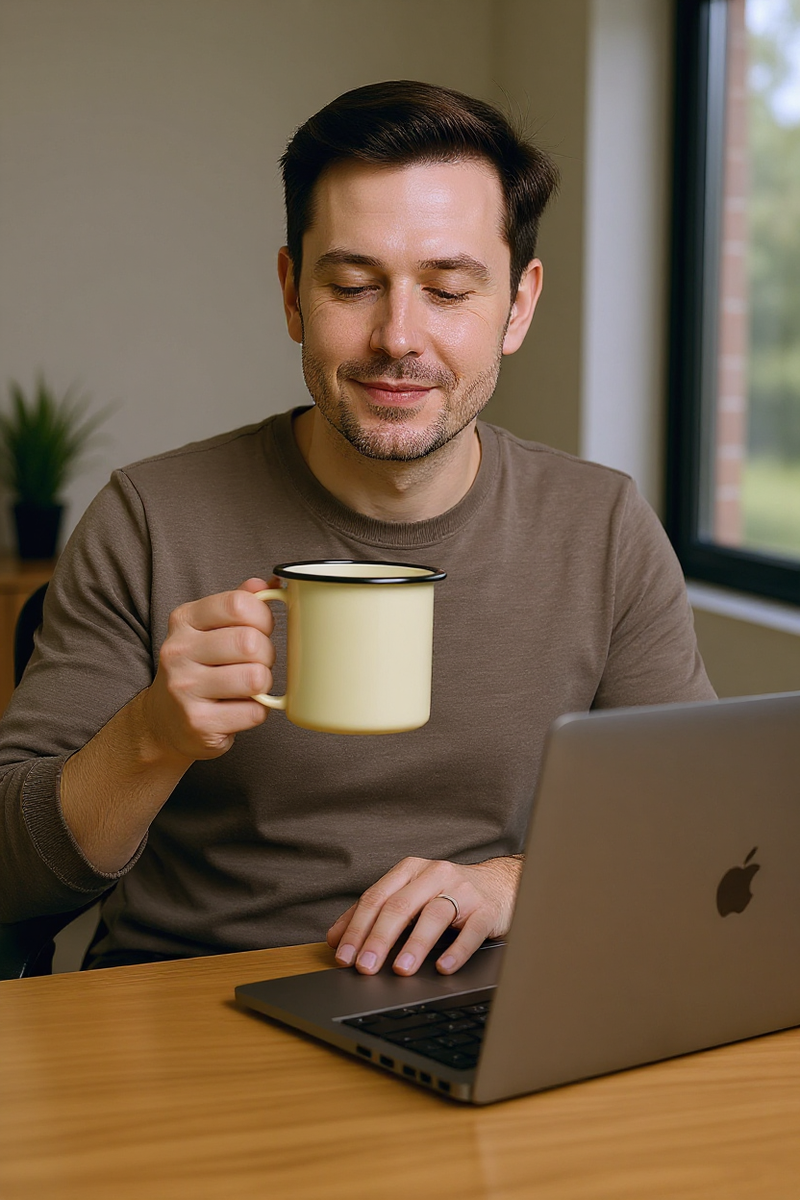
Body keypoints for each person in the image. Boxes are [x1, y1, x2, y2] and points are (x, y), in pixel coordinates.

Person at [0, 81, 715, 974]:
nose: (397, 338)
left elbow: (696, 826)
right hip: (192, 1006)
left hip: (480, 1005)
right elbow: (12, 880)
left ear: (519, 306)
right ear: (292, 293)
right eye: (352, 285)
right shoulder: (149, 519)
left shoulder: (602, 525)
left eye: (447, 290)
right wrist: (152, 736)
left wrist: (514, 886)